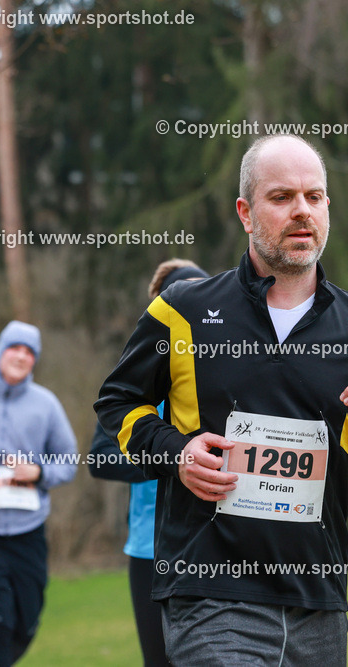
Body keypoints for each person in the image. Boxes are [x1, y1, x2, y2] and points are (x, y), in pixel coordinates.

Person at [95, 135, 348, 665]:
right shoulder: (181, 310)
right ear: (246, 213)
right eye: (282, 198)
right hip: (209, 592)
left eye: (314, 197)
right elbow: (117, 404)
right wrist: (175, 452)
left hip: (316, 604)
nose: (302, 211)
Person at [88, 259, 208, 667]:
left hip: (216, 543)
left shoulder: (224, 374)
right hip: (150, 546)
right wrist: (172, 462)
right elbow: (99, 459)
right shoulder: (138, 380)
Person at [0, 321, 78, 666]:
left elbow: (69, 461)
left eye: (29, 352)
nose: (21, 356)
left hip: (28, 529)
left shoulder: (46, 404)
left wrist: (37, 473)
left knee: (27, 620)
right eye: (15, 348)